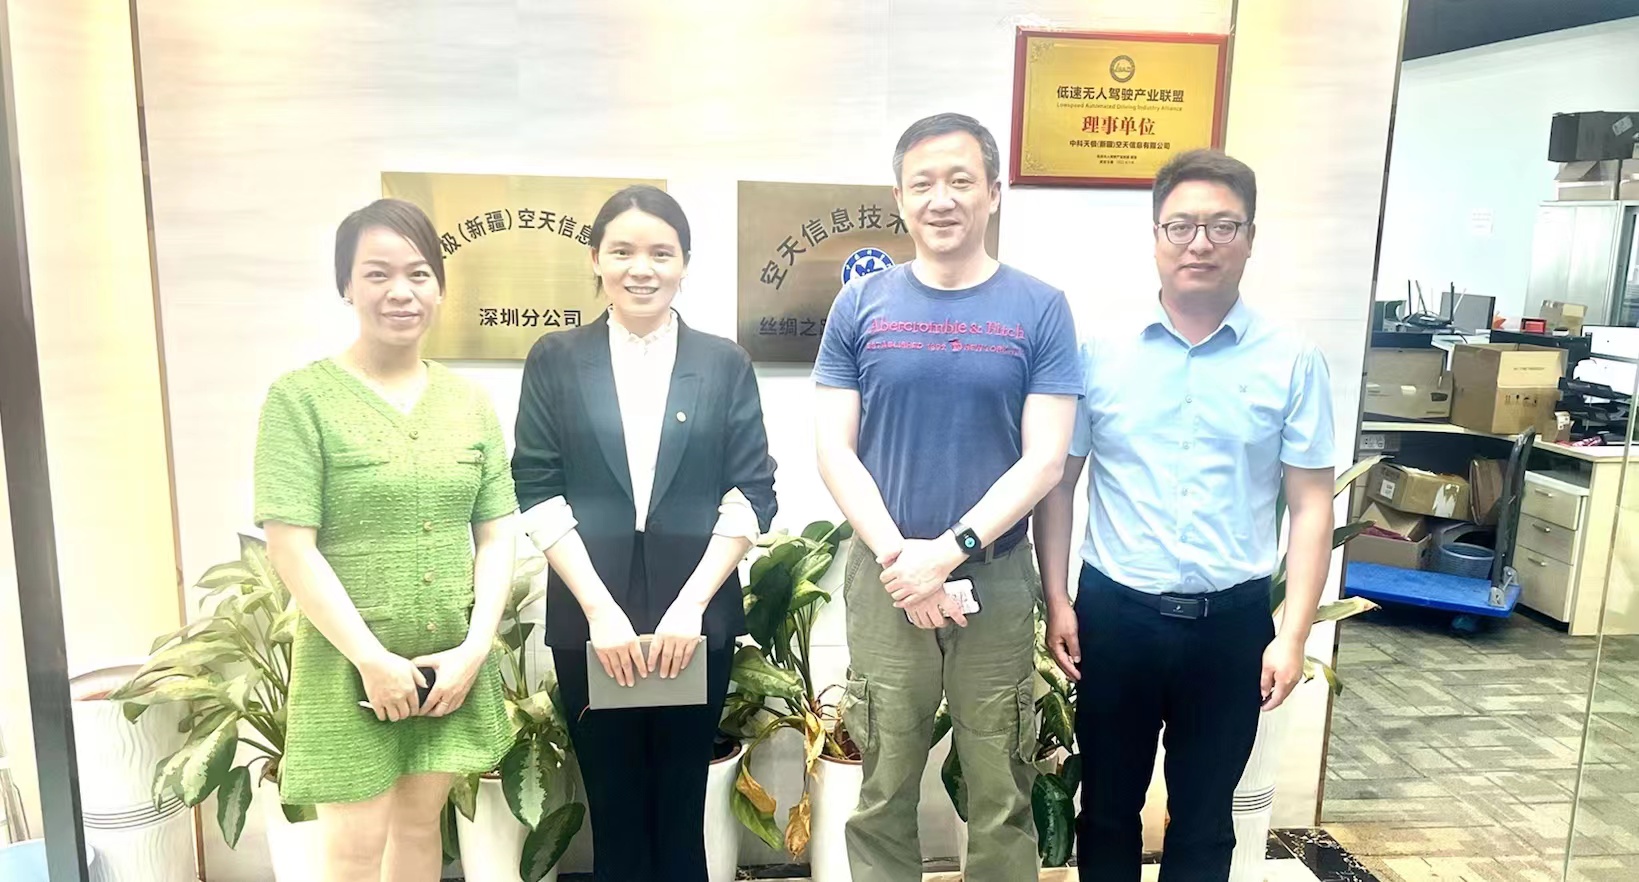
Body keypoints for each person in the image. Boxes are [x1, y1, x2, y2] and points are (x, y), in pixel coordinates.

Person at [1034, 149, 1337, 882]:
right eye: (1181, 226)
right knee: (1107, 810)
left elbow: (1310, 504)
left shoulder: (1292, 360)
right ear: (1155, 237)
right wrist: (1057, 600)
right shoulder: (1099, 354)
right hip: (1116, 618)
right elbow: (1058, 485)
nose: (1200, 242)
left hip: (1230, 625)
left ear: (1250, 238)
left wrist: (1292, 634)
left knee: (1205, 820)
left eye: (1221, 225)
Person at [813, 113, 1081, 881]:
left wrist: (949, 553)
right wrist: (904, 560)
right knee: (882, 782)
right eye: (922, 183)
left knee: (1001, 786)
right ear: (899, 198)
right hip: (886, 579)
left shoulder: (1040, 307)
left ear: (992, 192)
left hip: (994, 579)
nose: (941, 198)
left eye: (960, 180)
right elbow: (833, 449)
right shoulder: (859, 305)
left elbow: (1044, 460)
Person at [511, 185, 778, 882]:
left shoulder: (723, 363)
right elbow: (536, 489)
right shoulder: (555, 359)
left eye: (661, 252)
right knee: (615, 805)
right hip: (590, 617)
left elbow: (753, 491)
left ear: (684, 262)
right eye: (622, 251)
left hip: (695, 617)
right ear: (596, 259)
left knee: (681, 802)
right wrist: (600, 610)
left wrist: (691, 605)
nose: (642, 268)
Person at [254, 198, 518, 882]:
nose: (401, 291)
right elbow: (290, 545)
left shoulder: (470, 403)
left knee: (420, 829)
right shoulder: (301, 399)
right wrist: (372, 659)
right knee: (353, 850)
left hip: (445, 666)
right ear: (346, 285)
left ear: (439, 287)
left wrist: (474, 650)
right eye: (377, 273)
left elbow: (496, 533)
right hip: (348, 667)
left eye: (418, 273)